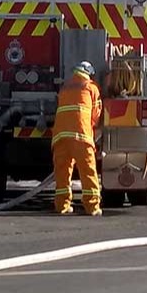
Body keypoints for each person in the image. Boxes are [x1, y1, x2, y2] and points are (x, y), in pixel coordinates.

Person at [51, 61, 103, 217]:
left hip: (60, 136)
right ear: (88, 73)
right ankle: (92, 207)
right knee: (88, 172)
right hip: (81, 136)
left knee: (62, 172)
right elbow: (96, 115)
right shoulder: (91, 87)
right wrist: (93, 127)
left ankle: (62, 206)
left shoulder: (65, 87)